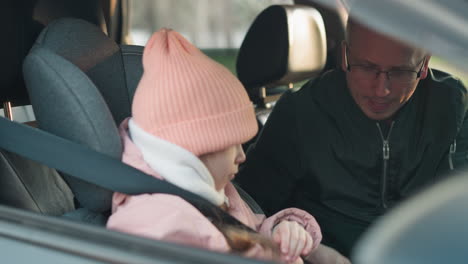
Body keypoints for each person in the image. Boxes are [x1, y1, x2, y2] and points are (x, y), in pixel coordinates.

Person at [235, 18, 468, 258]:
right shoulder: (301, 112)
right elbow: (247, 210)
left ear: (425, 63)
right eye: (366, 67)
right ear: (345, 55)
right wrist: (311, 249)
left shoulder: (452, 108)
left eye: (400, 72)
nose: (381, 90)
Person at [106, 28, 325, 264]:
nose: (242, 156)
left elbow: (245, 231)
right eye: (233, 145)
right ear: (196, 146)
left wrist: (278, 232)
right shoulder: (160, 227)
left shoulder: (211, 190)